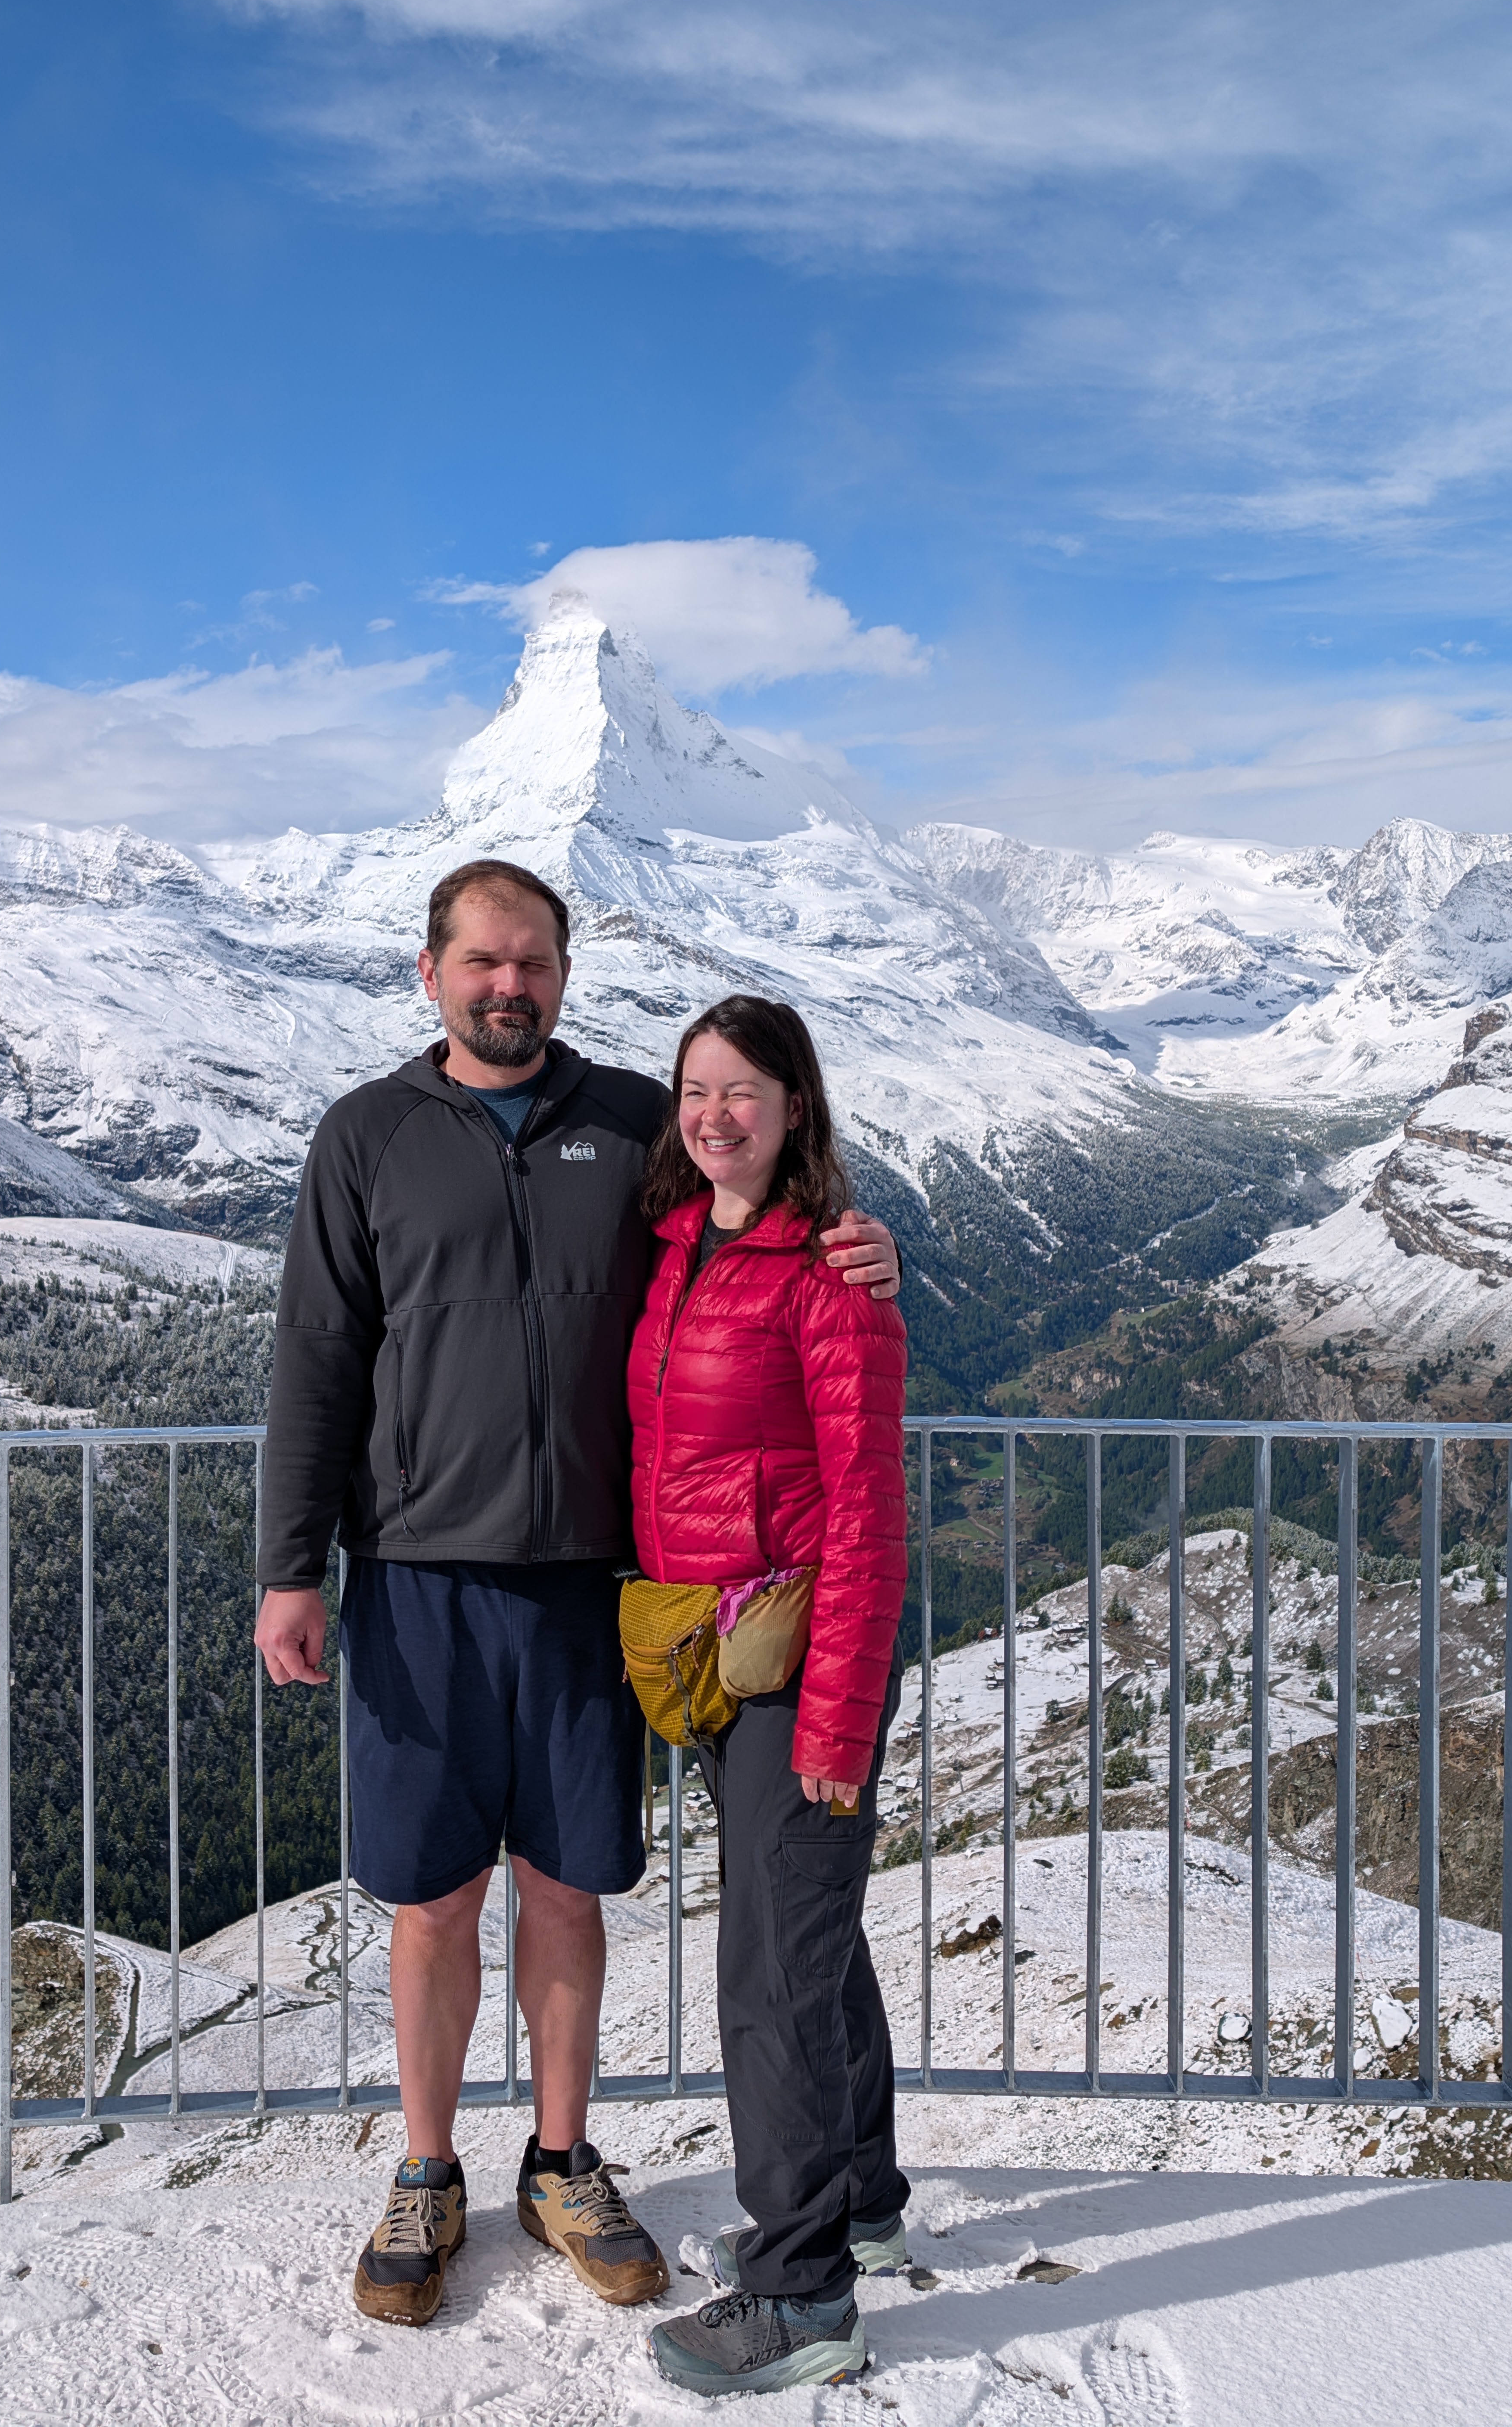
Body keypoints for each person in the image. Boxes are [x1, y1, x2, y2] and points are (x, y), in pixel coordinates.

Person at [255, 859, 902, 2329]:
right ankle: (429, 2173)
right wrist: (291, 1567)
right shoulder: (363, 1138)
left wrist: (870, 1246)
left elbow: (763, 1214)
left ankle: (560, 2160)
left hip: (587, 1595)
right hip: (413, 1577)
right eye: (484, 962)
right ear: (432, 973)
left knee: (565, 1885)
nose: (510, 986)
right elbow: (315, 1362)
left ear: (563, 973)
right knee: (431, 1898)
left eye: (535, 962)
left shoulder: (630, 1122)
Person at [624, 994, 910, 2397]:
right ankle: (859, 2201)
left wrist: (838, 1726)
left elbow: (865, 1515)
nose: (715, 1113)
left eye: (746, 1090)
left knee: (771, 1973)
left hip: (803, 1660)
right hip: (716, 1652)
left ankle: (803, 2299)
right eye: (696, 1089)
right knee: (814, 1945)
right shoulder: (681, 1247)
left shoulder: (829, 1276)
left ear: (798, 1107)